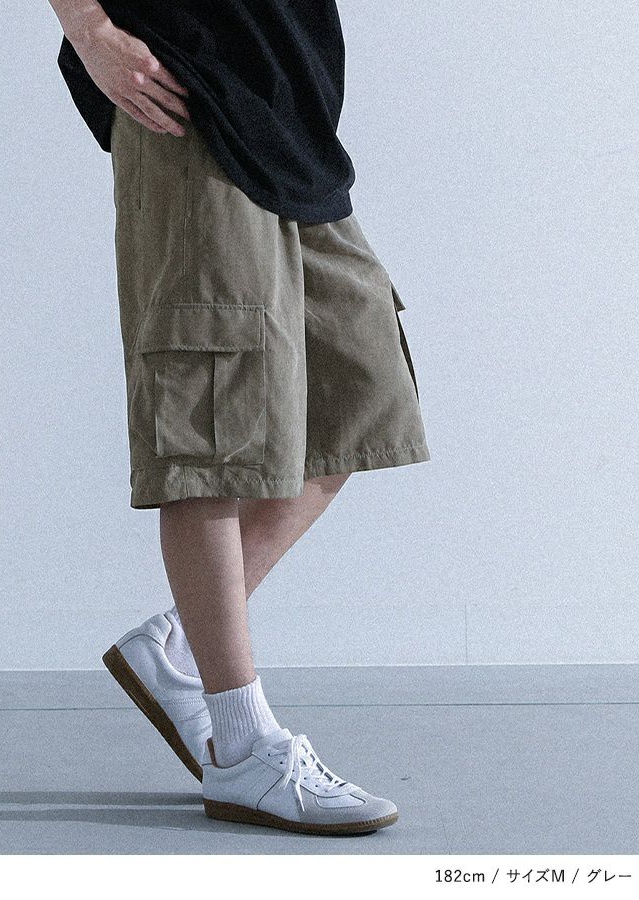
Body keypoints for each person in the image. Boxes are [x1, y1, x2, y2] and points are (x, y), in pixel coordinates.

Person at [47, 0, 431, 836]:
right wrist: (90, 30)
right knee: (214, 423)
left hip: (289, 111)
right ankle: (243, 747)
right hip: (184, 97)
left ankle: (180, 647)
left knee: (359, 396)